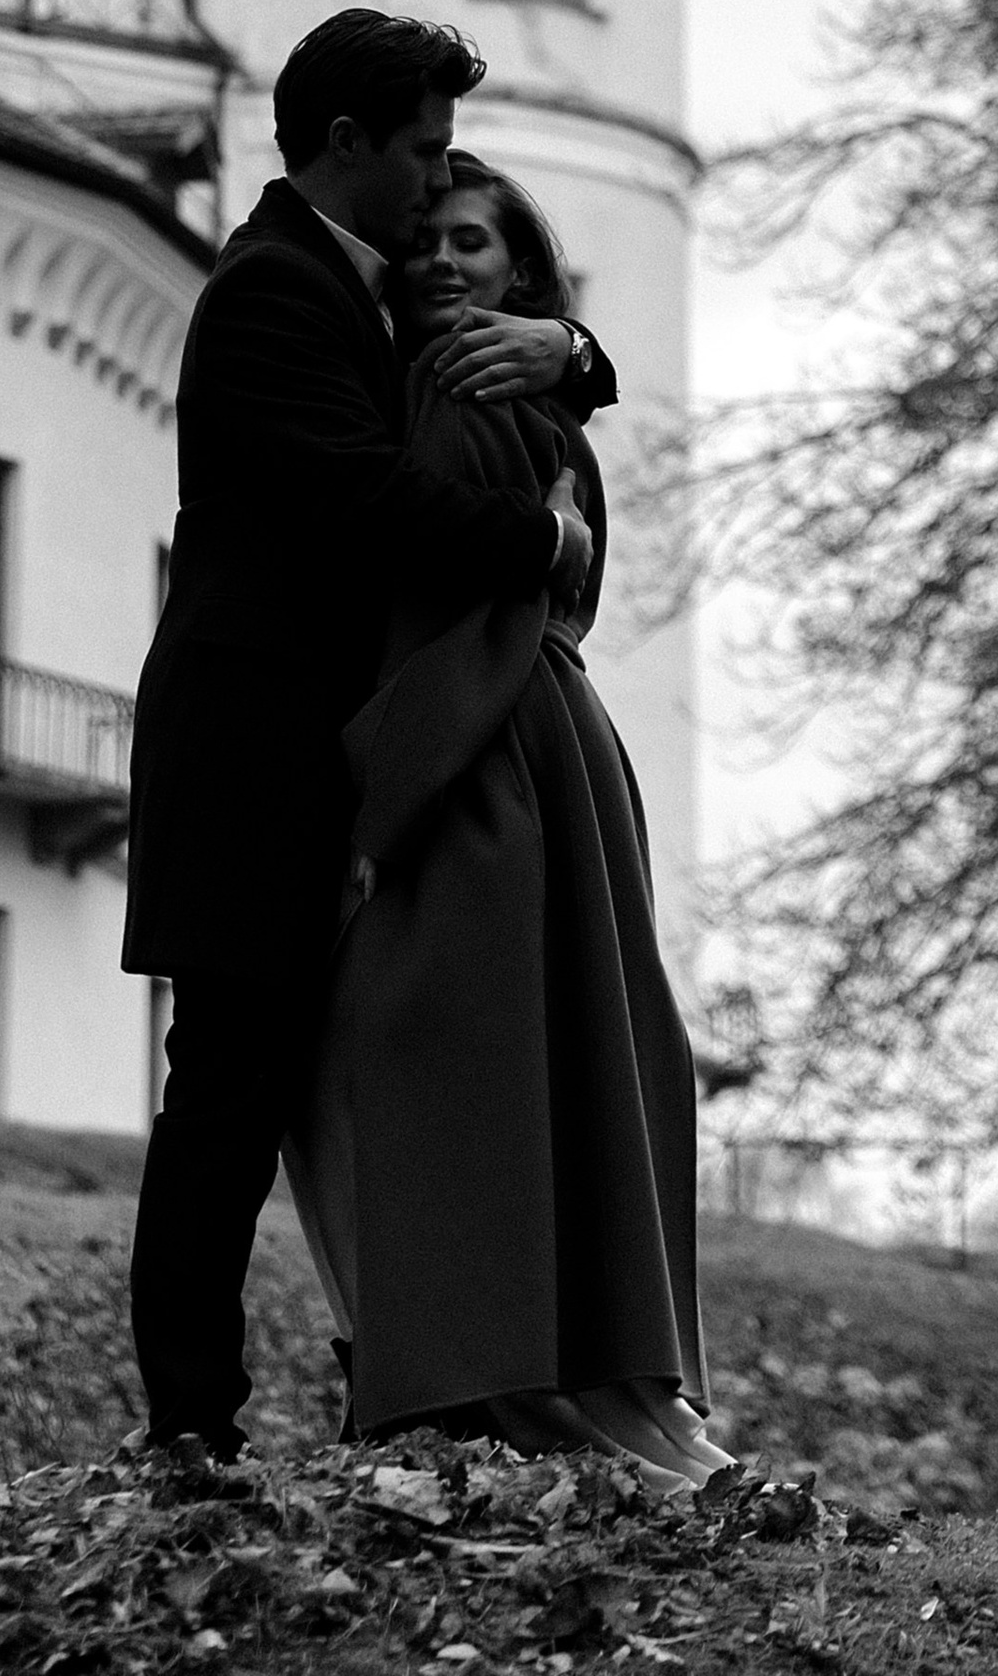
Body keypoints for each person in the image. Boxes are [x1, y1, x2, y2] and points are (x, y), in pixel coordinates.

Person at [122, 12, 601, 1454]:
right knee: (229, 1097)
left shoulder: (358, 285)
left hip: (319, 760)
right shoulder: (273, 291)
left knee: (317, 1086)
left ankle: (384, 1391)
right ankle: (191, 1427)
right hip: (250, 763)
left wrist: (570, 346)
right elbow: (363, 500)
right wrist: (546, 531)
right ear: (347, 147)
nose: (437, 182)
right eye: (424, 153)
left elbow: (504, 300)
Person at [285, 150, 728, 1490]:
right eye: (428, 237)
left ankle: (506, 1384)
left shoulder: (459, 396)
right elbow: (553, 579)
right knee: (559, 1060)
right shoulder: (529, 399)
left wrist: (373, 816)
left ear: (520, 269)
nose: (441, 259)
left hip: (487, 754)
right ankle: (596, 1385)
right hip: (547, 748)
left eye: (473, 240)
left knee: (452, 1065)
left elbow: (460, 623)